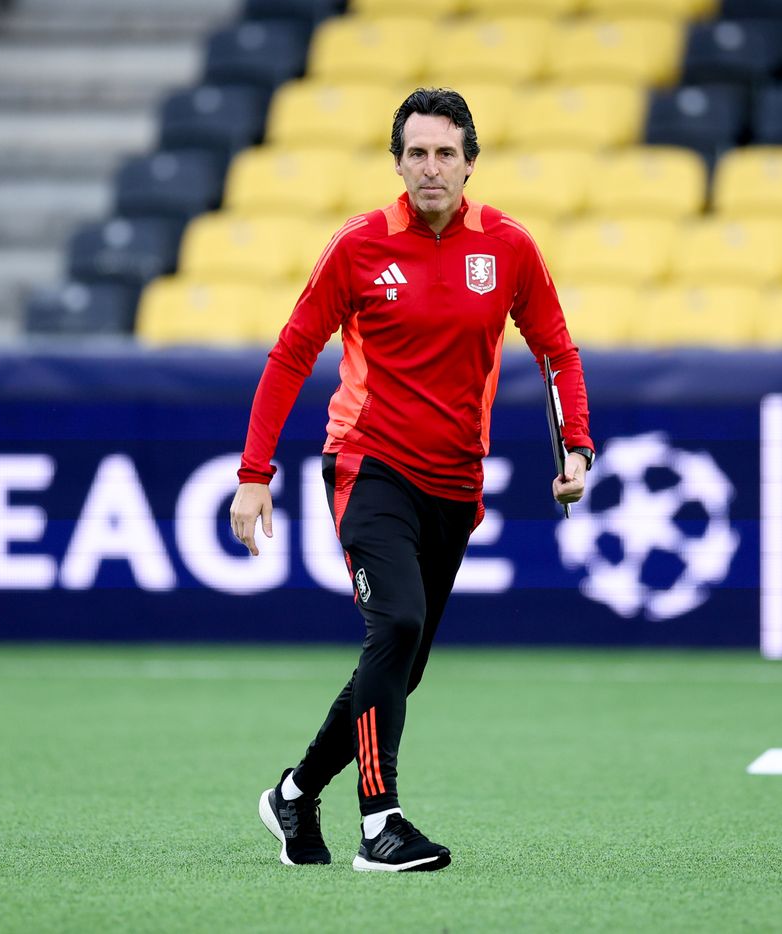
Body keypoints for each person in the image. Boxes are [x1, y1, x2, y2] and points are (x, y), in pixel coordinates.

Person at [235, 88, 595, 872]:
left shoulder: (508, 248)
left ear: (471, 162)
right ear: (396, 163)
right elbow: (292, 352)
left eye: (446, 153)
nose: (431, 167)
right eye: (417, 153)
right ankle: (380, 824)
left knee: (402, 663)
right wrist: (253, 473)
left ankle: (294, 796)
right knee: (394, 627)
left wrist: (576, 449)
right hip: (368, 467)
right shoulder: (359, 246)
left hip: (457, 484)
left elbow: (555, 350)